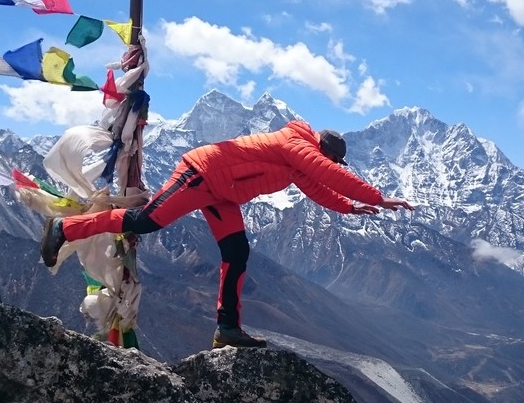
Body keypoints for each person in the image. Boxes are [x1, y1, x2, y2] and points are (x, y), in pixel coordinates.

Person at [39, 120, 414, 348]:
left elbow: (318, 187)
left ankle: (227, 328)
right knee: (145, 222)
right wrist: (379, 198)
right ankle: (66, 228)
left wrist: (351, 207)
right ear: (324, 151)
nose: (329, 166)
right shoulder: (295, 145)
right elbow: (328, 175)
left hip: (222, 191)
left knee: (236, 252)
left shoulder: (297, 160)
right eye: (331, 160)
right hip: (200, 175)